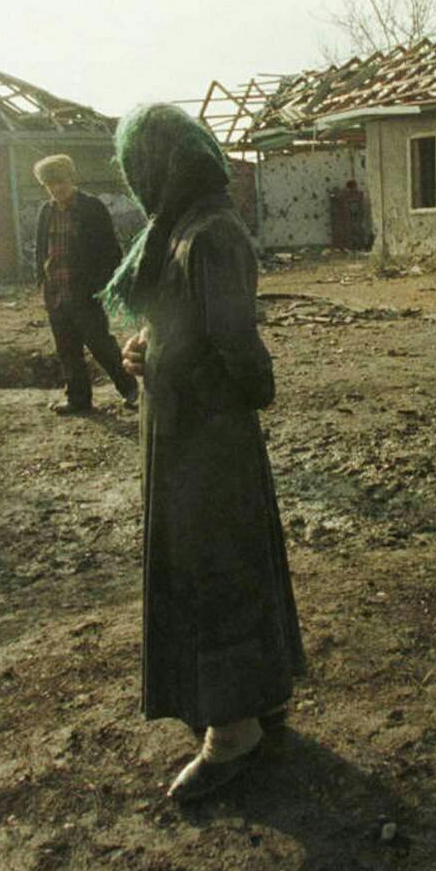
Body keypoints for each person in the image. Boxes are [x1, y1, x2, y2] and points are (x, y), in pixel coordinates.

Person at [103, 104, 304, 803]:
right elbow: (177, 325)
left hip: (207, 443)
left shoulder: (211, 233)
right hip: (184, 436)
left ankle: (233, 731)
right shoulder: (180, 228)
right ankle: (258, 696)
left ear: (159, 165)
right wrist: (144, 350)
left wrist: (181, 370)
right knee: (224, 564)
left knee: (216, 570)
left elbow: (237, 351)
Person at [33, 154, 139, 415]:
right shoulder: (46, 211)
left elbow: (111, 251)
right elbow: (40, 249)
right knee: (67, 349)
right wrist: (42, 281)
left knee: (100, 344)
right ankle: (78, 400)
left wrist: (100, 285)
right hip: (56, 291)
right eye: (50, 185)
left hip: (84, 292)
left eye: (61, 182)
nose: (57, 189)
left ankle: (132, 391)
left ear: (72, 179)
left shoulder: (92, 208)